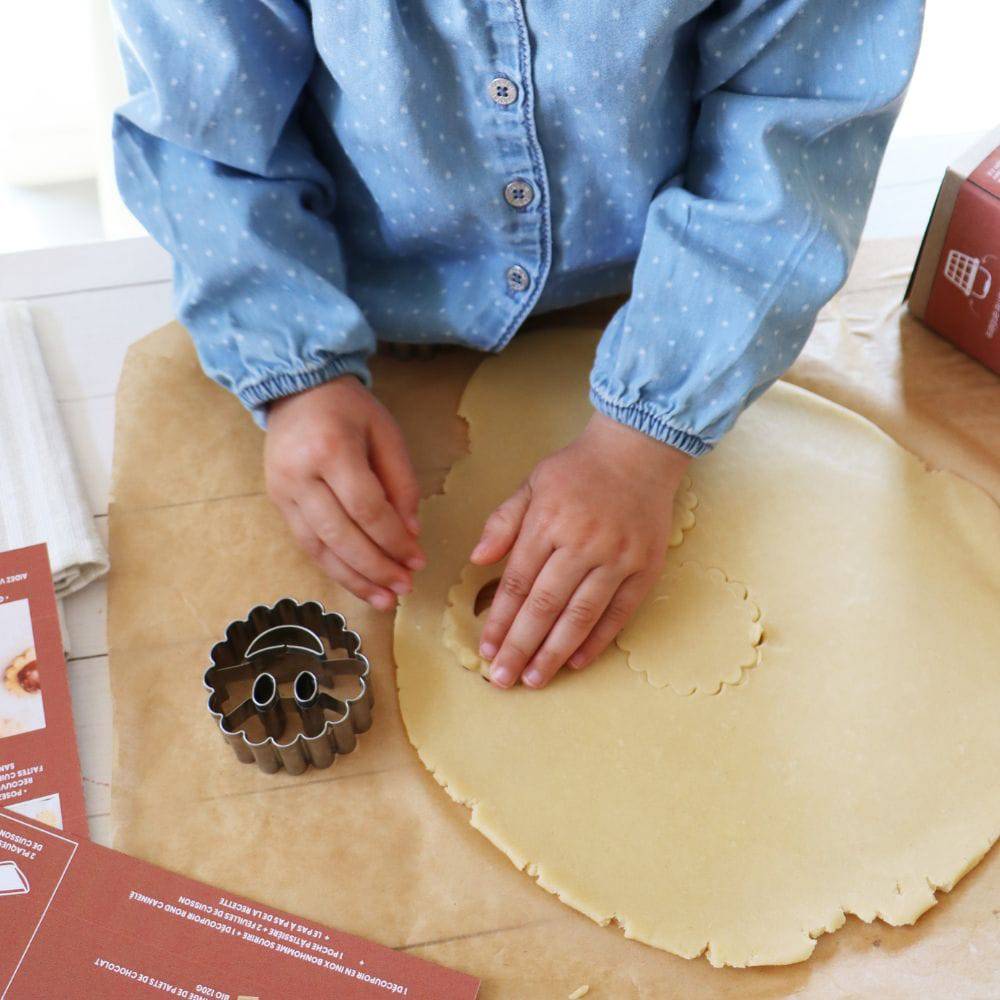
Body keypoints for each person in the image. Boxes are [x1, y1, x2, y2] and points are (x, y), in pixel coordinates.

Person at [112, 1, 923, 691]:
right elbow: (204, 125)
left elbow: (794, 128)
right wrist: (292, 370)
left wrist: (639, 445)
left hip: (664, 291)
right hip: (349, 283)